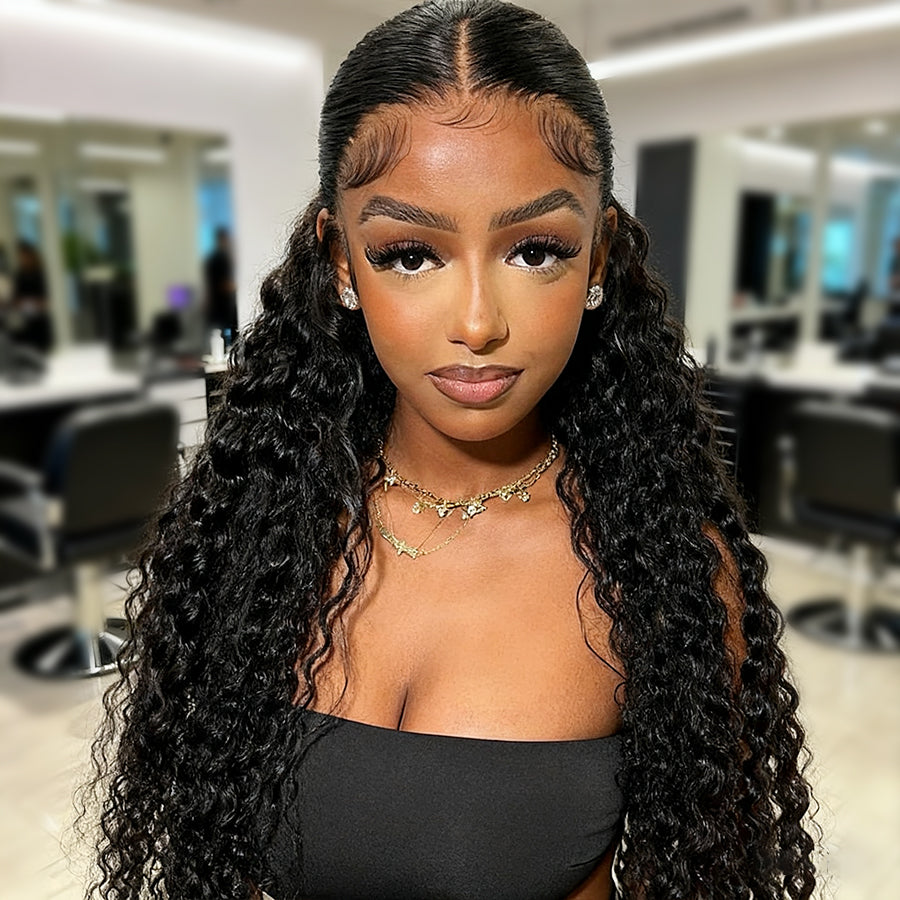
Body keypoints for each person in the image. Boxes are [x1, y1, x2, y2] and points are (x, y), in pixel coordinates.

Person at [80, 2, 819, 899]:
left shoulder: (666, 573)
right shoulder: (256, 531)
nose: (477, 323)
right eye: (409, 255)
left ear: (597, 260)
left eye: (536, 250)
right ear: (341, 262)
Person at [204, 225, 238, 338]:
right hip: (222, 301)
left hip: (221, 301)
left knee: (224, 330)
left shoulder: (218, 258)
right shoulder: (219, 259)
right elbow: (218, 282)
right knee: (226, 329)